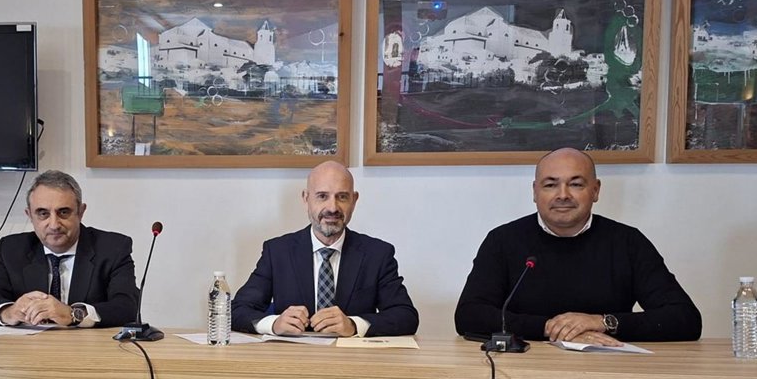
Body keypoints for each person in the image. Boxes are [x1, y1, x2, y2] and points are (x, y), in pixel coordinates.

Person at [454, 147, 701, 344]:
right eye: (550, 185)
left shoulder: (627, 242)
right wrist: (551, 328)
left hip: (609, 369)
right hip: (525, 367)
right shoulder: (503, 240)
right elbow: (469, 315)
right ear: (535, 192)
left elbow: (685, 319)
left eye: (576, 184)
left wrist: (602, 322)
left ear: (595, 190)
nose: (563, 195)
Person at [231, 160, 418, 337]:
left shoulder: (377, 254)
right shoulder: (277, 252)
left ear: (354, 200)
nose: (332, 208)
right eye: (322, 196)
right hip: (292, 357)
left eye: (342, 197)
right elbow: (237, 310)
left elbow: (406, 316)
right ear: (306, 199)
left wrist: (353, 325)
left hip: (354, 358)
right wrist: (274, 324)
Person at [0, 170, 139, 328]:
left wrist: (73, 314)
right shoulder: (14, 249)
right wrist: (9, 312)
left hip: (90, 347)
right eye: (43, 213)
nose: (54, 225)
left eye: (63, 212)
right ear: (29, 215)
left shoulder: (113, 248)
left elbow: (127, 307)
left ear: (80, 212)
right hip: (29, 347)